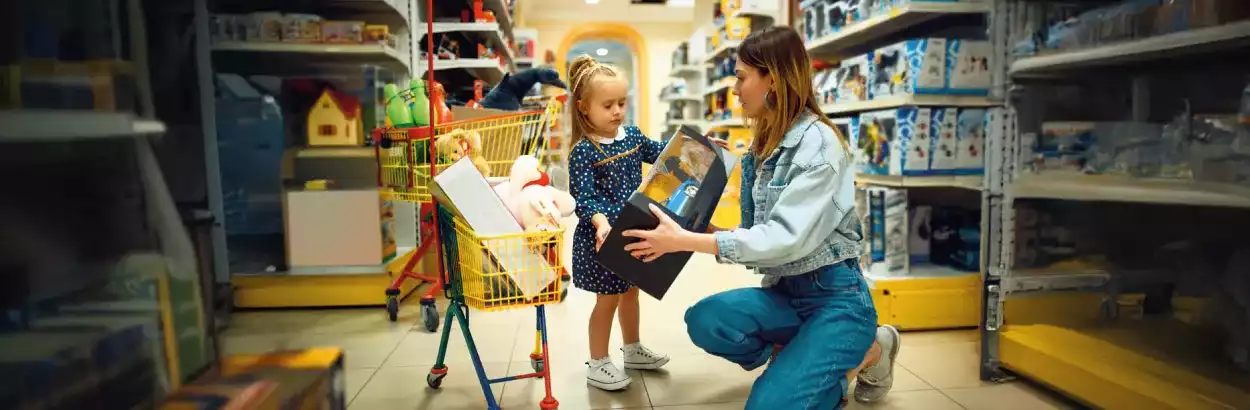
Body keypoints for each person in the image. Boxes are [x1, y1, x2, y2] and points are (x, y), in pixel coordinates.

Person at [620, 26, 902, 409]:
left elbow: (783, 240)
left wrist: (687, 241)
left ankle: (867, 351)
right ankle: (800, 354)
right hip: (787, 292)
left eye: (740, 77)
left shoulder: (818, 145)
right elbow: (758, 235)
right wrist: (700, 226)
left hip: (836, 299)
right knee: (706, 319)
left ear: (774, 78)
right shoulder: (764, 146)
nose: (734, 89)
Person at [565, 54, 670, 391]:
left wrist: (701, 145)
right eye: (608, 104)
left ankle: (633, 349)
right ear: (583, 107)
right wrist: (598, 221)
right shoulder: (584, 151)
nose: (617, 111)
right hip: (602, 239)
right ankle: (597, 362)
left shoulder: (632, 137)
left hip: (630, 232)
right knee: (607, 299)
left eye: (622, 102)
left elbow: (663, 153)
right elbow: (583, 197)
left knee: (631, 293)